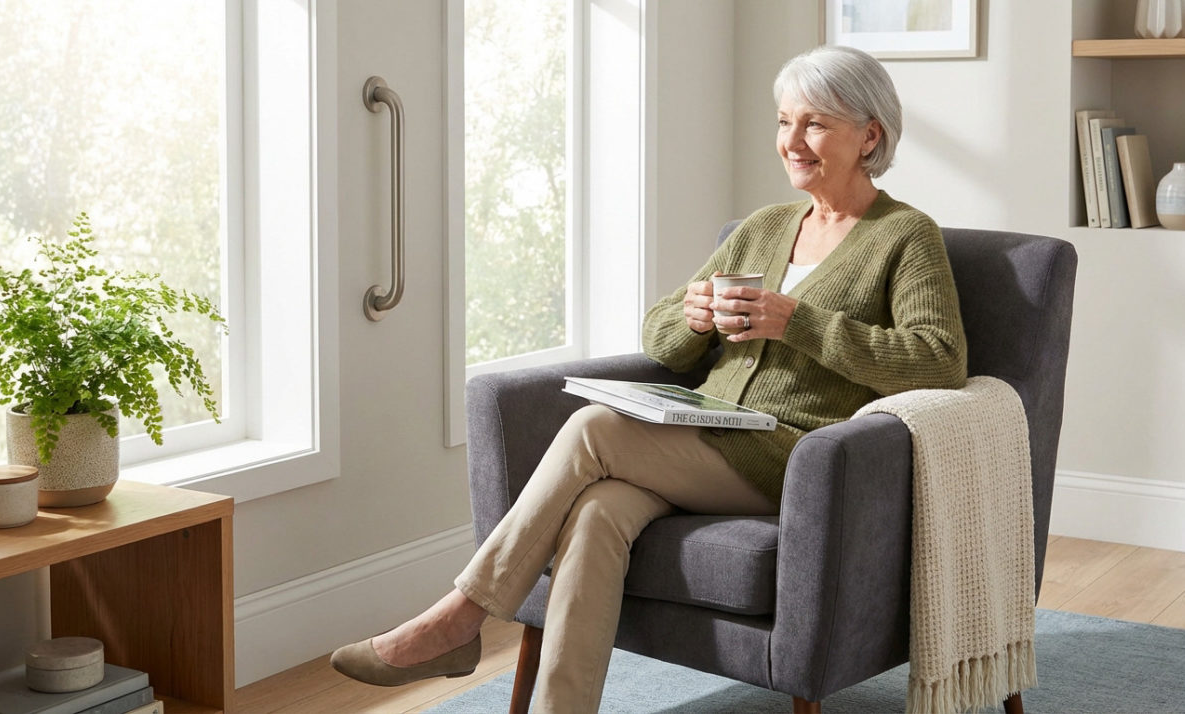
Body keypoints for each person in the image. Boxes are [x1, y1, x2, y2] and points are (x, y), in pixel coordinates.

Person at [330, 44, 967, 713]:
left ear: (870, 134)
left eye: (814, 124)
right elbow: (660, 335)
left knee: (593, 430)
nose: (792, 141)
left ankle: (458, 618)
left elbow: (939, 358)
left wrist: (797, 322)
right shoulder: (766, 228)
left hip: (797, 457)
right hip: (709, 433)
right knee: (598, 513)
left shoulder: (904, 236)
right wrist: (692, 318)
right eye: (785, 122)